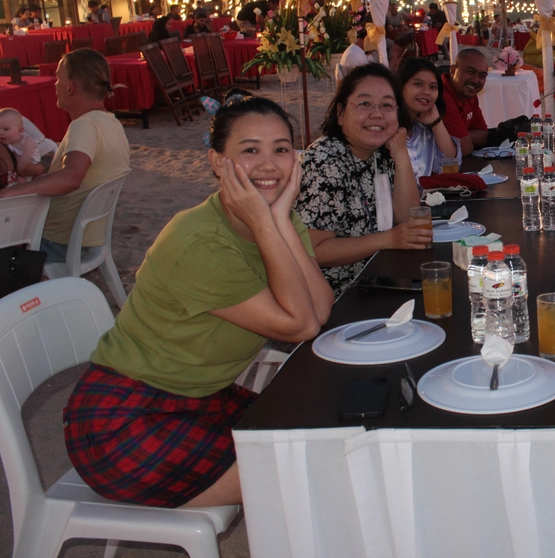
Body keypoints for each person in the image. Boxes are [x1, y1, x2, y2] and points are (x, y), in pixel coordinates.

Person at [63, 93, 333, 508]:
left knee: (324, 431)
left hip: (203, 397)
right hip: (124, 420)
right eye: (249, 150)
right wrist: (266, 222)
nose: (267, 164)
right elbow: (302, 326)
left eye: (280, 149)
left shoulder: (280, 214)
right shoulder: (199, 241)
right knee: (304, 471)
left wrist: (278, 219)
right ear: (216, 162)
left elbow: (321, 308)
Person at [296, 64, 428, 296]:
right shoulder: (324, 160)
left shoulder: (380, 153)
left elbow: (408, 217)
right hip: (336, 298)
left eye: (387, 105)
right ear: (340, 114)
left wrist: (401, 155)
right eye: (364, 103)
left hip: (377, 283)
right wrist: (386, 239)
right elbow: (315, 250)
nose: (377, 113)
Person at [0, 49, 130, 264]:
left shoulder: (84, 125)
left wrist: (12, 192)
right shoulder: (111, 122)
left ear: (70, 87)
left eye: (58, 78)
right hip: (86, 237)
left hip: (57, 242)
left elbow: (71, 178)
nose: (55, 84)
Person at [399, 57, 461, 182]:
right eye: (418, 84)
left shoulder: (423, 130)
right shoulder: (387, 129)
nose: (426, 92)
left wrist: (436, 122)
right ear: (400, 85)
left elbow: (451, 165)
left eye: (433, 87)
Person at [440, 48, 489, 156]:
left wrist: (462, 136)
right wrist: (463, 138)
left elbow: (483, 135)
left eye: (482, 76)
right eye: (470, 72)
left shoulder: (469, 94)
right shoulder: (441, 96)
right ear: (453, 71)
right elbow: (465, 148)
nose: (476, 80)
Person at [0, 108, 47, 181]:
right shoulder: (6, 144)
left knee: (41, 178)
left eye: (6, 129)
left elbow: (26, 161)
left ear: (20, 131)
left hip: (31, 169)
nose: (1, 133)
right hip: (17, 174)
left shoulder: (27, 141)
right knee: (20, 181)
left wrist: (16, 169)